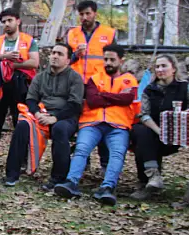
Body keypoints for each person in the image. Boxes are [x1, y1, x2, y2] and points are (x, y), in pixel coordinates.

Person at [54, 44, 138, 206]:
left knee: (117, 153)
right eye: (105, 59)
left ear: (121, 60)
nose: (108, 63)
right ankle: (71, 182)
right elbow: (92, 100)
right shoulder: (95, 78)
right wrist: (114, 97)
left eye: (112, 60)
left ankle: (107, 188)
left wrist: (104, 95)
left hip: (118, 125)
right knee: (82, 148)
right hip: (92, 122)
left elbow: (127, 99)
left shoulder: (129, 79)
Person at [130, 54, 189, 200]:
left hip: (176, 135)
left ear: (174, 69)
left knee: (143, 139)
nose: (160, 69)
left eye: (164, 66)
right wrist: (159, 131)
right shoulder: (149, 90)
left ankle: (148, 182)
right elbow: (144, 115)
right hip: (154, 131)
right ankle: (152, 178)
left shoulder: (185, 87)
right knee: (141, 132)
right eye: (157, 67)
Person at [4, 43, 84, 190]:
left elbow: (75, 104)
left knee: (59, 129)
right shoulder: (40, 77)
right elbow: (31, 99)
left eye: (60, 54)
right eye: (53, 53)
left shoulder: (75, 78)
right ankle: (12, 174)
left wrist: (55, 118)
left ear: (67, 60)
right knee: (22, 125)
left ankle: (58, 178)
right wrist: (37, 113)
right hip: (41, 114)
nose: (54, 56)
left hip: (65, 117)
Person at [67, 0, 117, 171]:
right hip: (77, 84)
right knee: (81, 122)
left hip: (100, 84)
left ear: (95, 13)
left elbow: (115, 60)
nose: (84, 17)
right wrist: (75, 54)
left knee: (101, 120)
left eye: (88, 13)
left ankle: (105, 162)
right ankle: (83, 159)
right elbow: (67, 59)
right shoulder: (72, 34)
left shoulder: (108, 33)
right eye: (81, 14)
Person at [0, 8, 39, 165]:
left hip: (20, 85)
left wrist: (12, 64)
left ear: (18, 21)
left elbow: (34, 62)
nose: (6, 24)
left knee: (20, 121)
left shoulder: (29, 41)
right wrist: (4, 57)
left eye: (10, 20)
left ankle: (21, 159)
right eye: (4, 22)